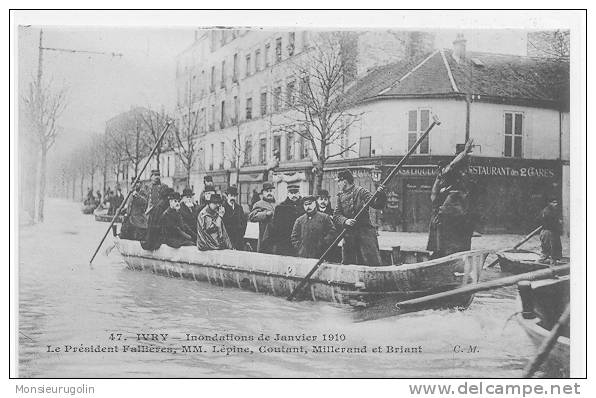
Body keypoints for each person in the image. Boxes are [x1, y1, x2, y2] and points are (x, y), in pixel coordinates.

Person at [428, 139, 475, 258]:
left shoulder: (466, 173)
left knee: (462, 241)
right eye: (467, 157)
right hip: (450, 210)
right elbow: (452, 165)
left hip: (462, 210)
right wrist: (464, 152)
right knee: (445, 243)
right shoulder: (451, 171)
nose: (469, 160)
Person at [333, 169, 387, 266]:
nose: (338, 184)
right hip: (349, 235)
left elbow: (377, 204)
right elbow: (336, 215)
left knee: (372, 263)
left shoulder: (361, 192)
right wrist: (345, 221)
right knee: (348, 265)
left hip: (365, 233)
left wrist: (381, 194)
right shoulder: (340, 197)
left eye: (339, 182)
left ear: (344, 181)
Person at [269, 184, 304, 256]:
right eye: (291, 193)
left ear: (299, 193)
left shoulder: (304, 206)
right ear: (288, 194)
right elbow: (276, 227)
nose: (294, 195)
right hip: (285, 242)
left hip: (300, 241)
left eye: (296, 193)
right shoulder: (281, 207)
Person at [248, 182, 277, 253]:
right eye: (267, 191)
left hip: (276, 236)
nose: (269, 193)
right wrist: (265, 214)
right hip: (264, 236)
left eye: (271, 191)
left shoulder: (277, 204)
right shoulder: (259, 204)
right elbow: (252, 216)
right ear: (263, 193)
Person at [222, 185, 248, 250]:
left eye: (234, 196)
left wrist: (241, 234)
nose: (233, 198)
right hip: (226, 240)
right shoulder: (222, 208)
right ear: (227, 196)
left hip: (238, 240)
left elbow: (244, 222)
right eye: (231, 196)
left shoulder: (239, 208)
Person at [538, 197, 563, 264]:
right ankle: (542, 262)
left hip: (552, 232)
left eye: (556, 202)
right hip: (548, 232)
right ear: (549, 203)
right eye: (554, 202)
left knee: (554, 248)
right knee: (548, 249)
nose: (556, 204)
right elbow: (550, 223)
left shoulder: (552, 211)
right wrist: (558, 222)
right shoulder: (547, 211)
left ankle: (553, 261)